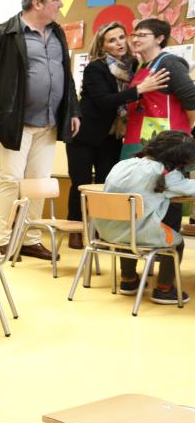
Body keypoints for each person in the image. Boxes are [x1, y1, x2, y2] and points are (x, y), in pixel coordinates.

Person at [0, 0, 81, 261]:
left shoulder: (58, 34)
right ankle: (5, 239)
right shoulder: (1, 35)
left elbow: (65, 77)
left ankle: (29, 237)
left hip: (50, 122)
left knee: (38, 182)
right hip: (14, 124)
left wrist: (73, 110)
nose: (60, 5)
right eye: (56, 0)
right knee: (12, 180)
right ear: (37, 3)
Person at [66, 21, 169, 249]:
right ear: (103, 46)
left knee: (107, 184)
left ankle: (102, 231)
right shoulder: (97, 67)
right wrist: (140, 90)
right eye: (112, 40)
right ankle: (77, 229)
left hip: (113, 135)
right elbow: (104, 102)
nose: (119, 43)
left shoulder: (134, 65)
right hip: (84, 134)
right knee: (80, 183)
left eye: (122, 37)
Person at [96, 130, 195, 304]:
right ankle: (164, 290)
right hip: (135, 232)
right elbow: (191, 188)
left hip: (106, 230)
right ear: (180, 160)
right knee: (176, 243)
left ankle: (128, 281)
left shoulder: (123, 164)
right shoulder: (167, 175)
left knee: (128, 229)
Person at [120, 18, 195, 159]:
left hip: (164, 143)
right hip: (135, 137)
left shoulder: (170, 63)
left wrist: (186, 129)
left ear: (159, 38)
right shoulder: (140, 66)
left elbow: (191, 98)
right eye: (134, 35)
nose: (135, 39)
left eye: (142, 35)